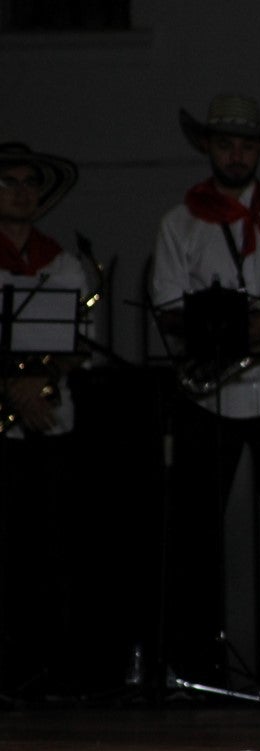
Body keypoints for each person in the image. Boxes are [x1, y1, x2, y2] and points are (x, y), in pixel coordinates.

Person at [149, 94, 260, 695]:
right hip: (211, 397)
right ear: (207, 146)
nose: (236, 153)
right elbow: (169, 311)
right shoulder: (181, 222)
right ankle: (200, 668)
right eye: (225, 142)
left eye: (246, 143)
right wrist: (233, 331)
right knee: (200, 537)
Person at [0, 142, 99, 699]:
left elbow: (79, 343)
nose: (22, 192)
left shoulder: (62, 261)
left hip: (49, 419)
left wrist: (35, 385)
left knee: (52, 545)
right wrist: (11, 387)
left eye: (30, 182)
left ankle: (51, 671)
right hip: (7, 422)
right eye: (9, 182)